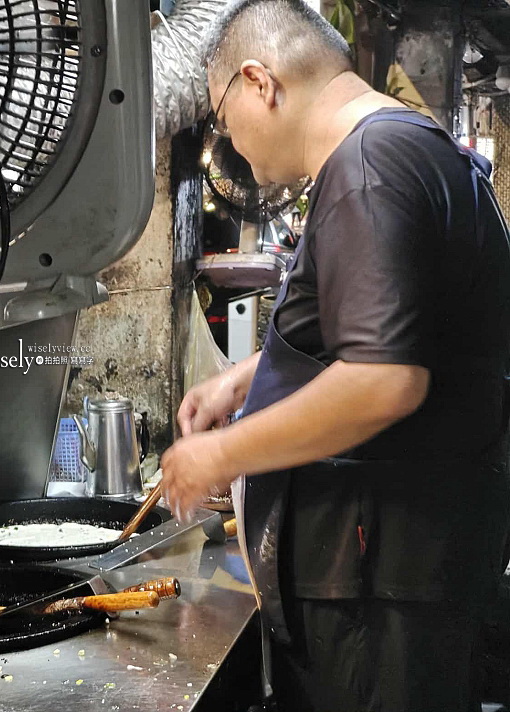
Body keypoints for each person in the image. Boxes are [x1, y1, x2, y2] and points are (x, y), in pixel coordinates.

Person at [159, 1, 510, 710]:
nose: (233, 147)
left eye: (226, 121)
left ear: (262, 83)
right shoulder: (419, 150)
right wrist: (248, 379)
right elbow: (396, 330)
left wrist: (221, 456)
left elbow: (384, 381)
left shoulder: (370, 165)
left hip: (378, 591)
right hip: (398, 576)